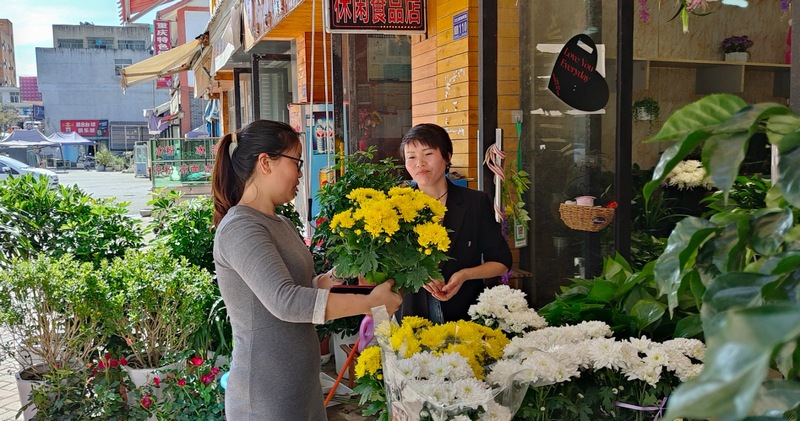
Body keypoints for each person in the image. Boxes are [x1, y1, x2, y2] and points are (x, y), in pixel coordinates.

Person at [211, 119, 403, 420]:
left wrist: (345, 273)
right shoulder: (241, 228)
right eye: (296, 162)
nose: (301, 173)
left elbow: (306, 286)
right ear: (265, 162)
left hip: (301, 388)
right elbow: (286, 301)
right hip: (265, 398)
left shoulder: (280, 222)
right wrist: (369, 303)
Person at [399, 123, 512, 323]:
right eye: (411, 157)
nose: (419, 163)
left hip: (465, 315)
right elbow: (385, 268)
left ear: (447, 156)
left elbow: (501, 263)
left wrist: (465, 274)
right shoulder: (397, 207)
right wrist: (417, 274)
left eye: (428, 154)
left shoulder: (475, 202)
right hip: (411, 315)